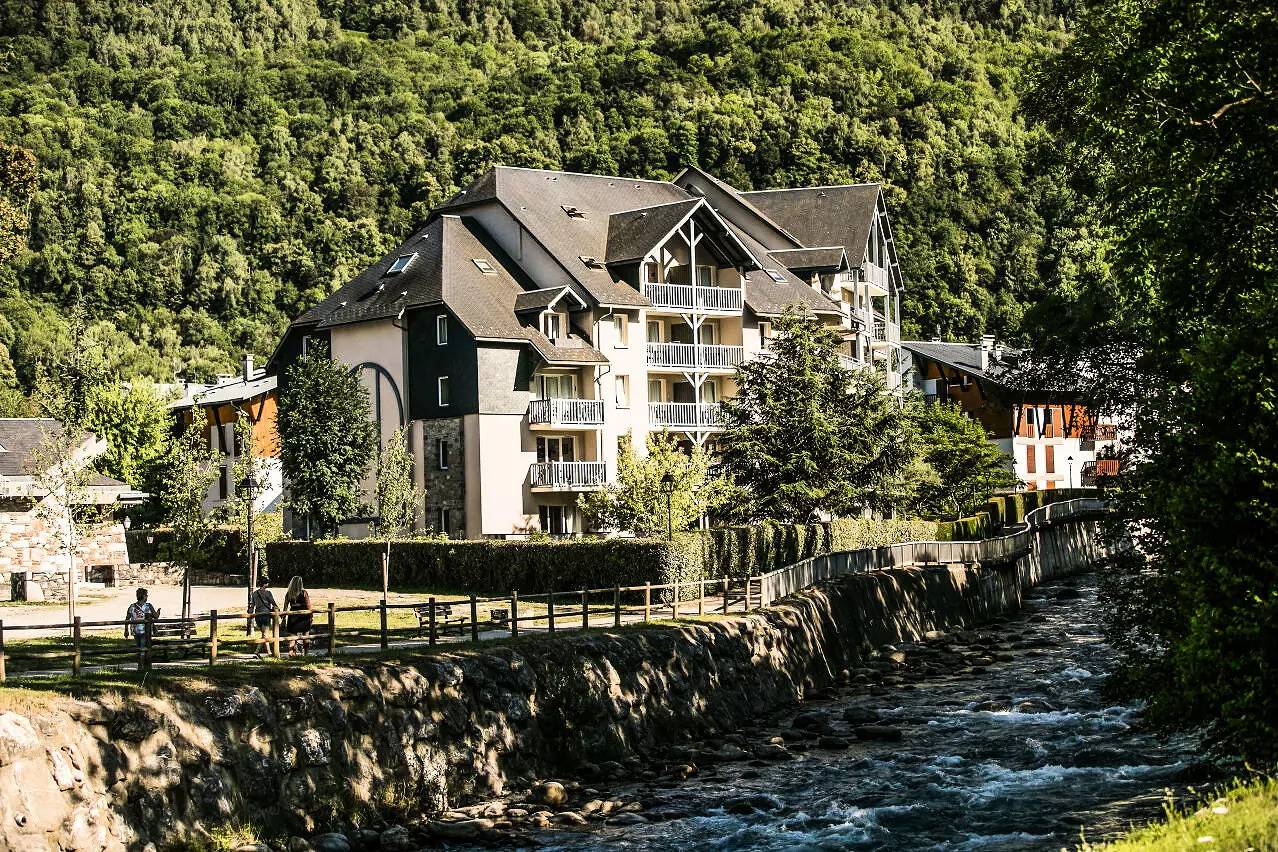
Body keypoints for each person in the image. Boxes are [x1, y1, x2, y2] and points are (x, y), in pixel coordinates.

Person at [124, 588, 158, 663]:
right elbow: (156, 616)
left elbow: (127, 619)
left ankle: (141, 664)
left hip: (135, 630)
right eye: (146, 595)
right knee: (143, 648)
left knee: (140, 647)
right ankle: (143, 665)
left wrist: (126, 630)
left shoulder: (132, 606)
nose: (147, 597)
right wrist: (158, 612)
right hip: (145, 631)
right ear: (143, 596)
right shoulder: (148, 606)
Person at [248, 576, 279, 659]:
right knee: (265, 635)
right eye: (267, 582)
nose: (268, 583)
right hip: (265, 615)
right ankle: (262, 652)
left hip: (257, 615)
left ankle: (264, 652)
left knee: (264, 634)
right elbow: (273, 603)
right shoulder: (268, 593)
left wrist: (250, 616)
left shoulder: (254, 593)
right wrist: (278, 610)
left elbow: (252, 606)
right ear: (265, 583)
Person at [283, 576, 313, 657]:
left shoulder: (289, 594)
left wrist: (283, 618)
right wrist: (311, 616)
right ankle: (306, 654)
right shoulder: (304, 593)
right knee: (305, 636)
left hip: (293, 616)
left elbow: (285, 607)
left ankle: (291, 653)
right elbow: (308, 606)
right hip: (304, 616)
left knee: (292, 637)